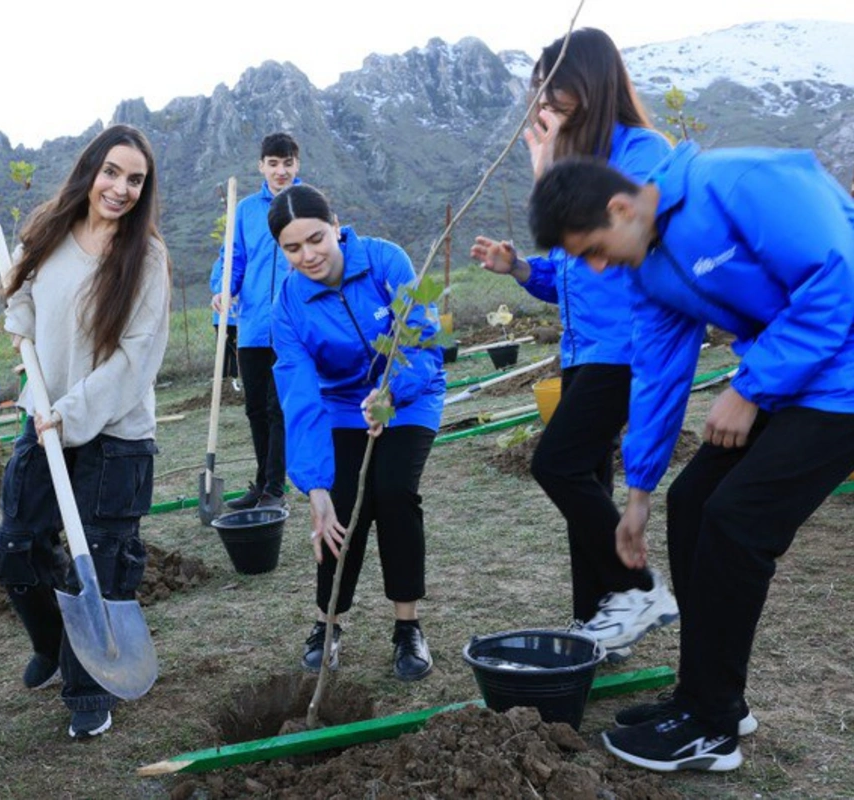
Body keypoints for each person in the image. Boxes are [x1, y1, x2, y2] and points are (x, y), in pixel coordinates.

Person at [529, 144, 854, 772]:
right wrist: (639, 495)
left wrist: (749, 387)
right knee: (693, 500)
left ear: (621, 207)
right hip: (797, 377)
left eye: (592, 248)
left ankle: (712, 729)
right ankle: (706, 697)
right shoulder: (646, 268)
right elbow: (656, 373)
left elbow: (839, 275)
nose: (595, 267)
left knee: (737, 519)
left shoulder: (740, 181)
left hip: (841, 378)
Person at [469, 28, 676, 661]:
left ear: (589, 84)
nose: (544, 99)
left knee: (554, 464)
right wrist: (522, 270)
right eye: (540, 86)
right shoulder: (573, 159)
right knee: (585, 484)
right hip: (585, 350)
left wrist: (550, 178)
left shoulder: (642, 152)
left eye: (554, 85)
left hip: (628, 346)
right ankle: (600, 623)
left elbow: (614, 247)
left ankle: (639, 590)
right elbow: (576, 270)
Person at [0, 124, 170, 740]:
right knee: (17, 547)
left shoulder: (145, 259)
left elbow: (136, 358)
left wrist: (71, 411)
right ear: (90, 170)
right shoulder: (46, 233)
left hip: (114, 432)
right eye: (112, 172)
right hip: (41, 423)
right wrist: (20, 322)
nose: (120, 188)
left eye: (135, 180)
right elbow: (24, 304)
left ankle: (87, 688)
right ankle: (52, 640)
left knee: (97, 560)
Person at [270, 185, 445, 681]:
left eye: (316, 239)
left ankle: (407, 628)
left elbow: (424, 343)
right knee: (341, 507)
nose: (308, 256)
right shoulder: (289, 303)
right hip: (342, 405)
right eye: (293, 248)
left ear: (336, 224)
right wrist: (316, 488)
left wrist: (394, 392)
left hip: (410, 393)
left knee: (393, 491)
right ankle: (327, 624)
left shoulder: (386, 261)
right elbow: (300, 396)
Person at [210, 132, 302, 510]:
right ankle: (262, 481)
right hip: (252, 325)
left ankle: (275, 490)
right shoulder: (246, 210)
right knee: (255, 409)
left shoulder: (307, 203)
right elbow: (233, 257)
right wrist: (223, 287)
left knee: (278, 406)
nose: (281, 171)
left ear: (298, 165)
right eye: (273, 163)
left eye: (288, 163)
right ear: (261, 165)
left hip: (293, 325)